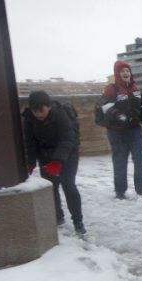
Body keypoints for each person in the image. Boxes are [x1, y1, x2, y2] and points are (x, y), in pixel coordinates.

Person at [22, 90, 85, 235]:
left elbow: (68, 139)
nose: (38, 114)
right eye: (35, 111)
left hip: (68, 154)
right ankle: (57, 217)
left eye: (41, 110)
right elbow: (30, 142)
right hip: (46, 156)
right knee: (51, 187)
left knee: (68, 185)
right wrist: (30, 162)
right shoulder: (30, 119)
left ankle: (78, 222)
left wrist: (57, 161)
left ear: (48, 106)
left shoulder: (60, 114)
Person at [97, 60, 142, 199]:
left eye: (127, 70)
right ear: (117, 74)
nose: (125, 73)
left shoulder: (135, 88)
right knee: (120, 160)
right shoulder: (111, 89)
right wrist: (122, 117)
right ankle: (120, 191)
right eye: (122, 71)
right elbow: (106, 107)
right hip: (117, 131)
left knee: (140, 159)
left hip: (134, 130)